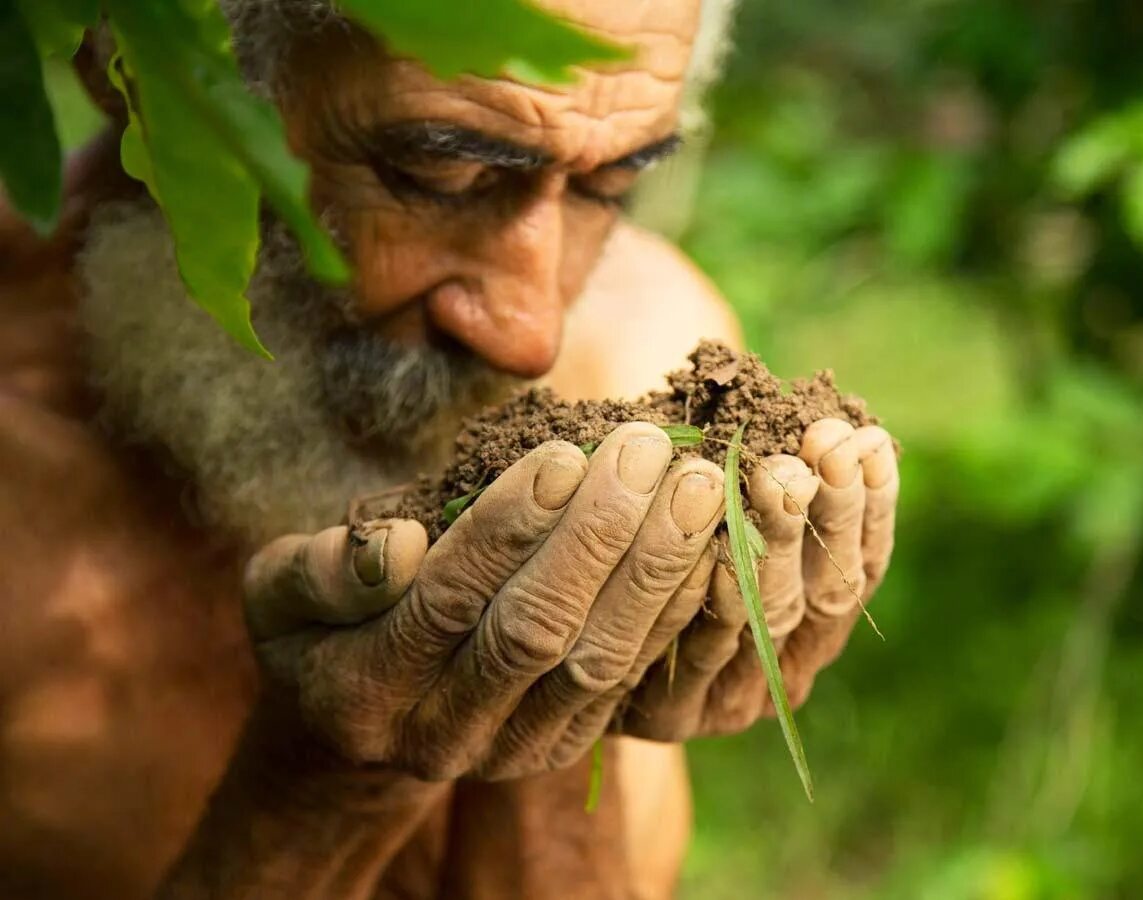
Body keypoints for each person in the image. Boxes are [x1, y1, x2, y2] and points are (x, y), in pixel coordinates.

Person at [0, 1, 899, 897]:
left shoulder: (645, 346)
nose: (531, 339)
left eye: (607, 190)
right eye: (437, 175)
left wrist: (540, 709)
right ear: (135, 71)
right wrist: (321, 795)